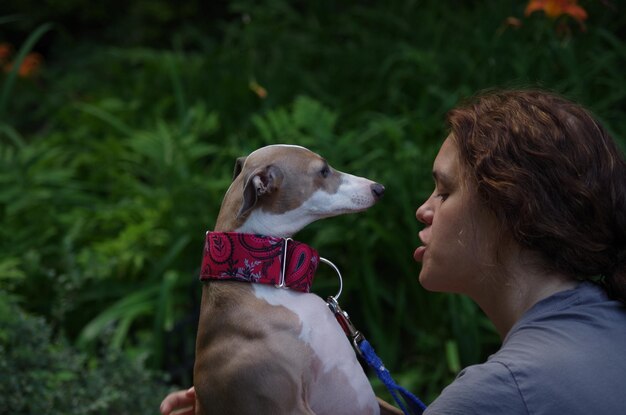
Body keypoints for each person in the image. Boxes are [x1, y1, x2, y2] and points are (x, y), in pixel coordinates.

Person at [160, 89, 626, 415]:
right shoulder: (610, 324)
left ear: (514, 214)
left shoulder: (498, 395)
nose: (423, 209)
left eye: (444, 192)